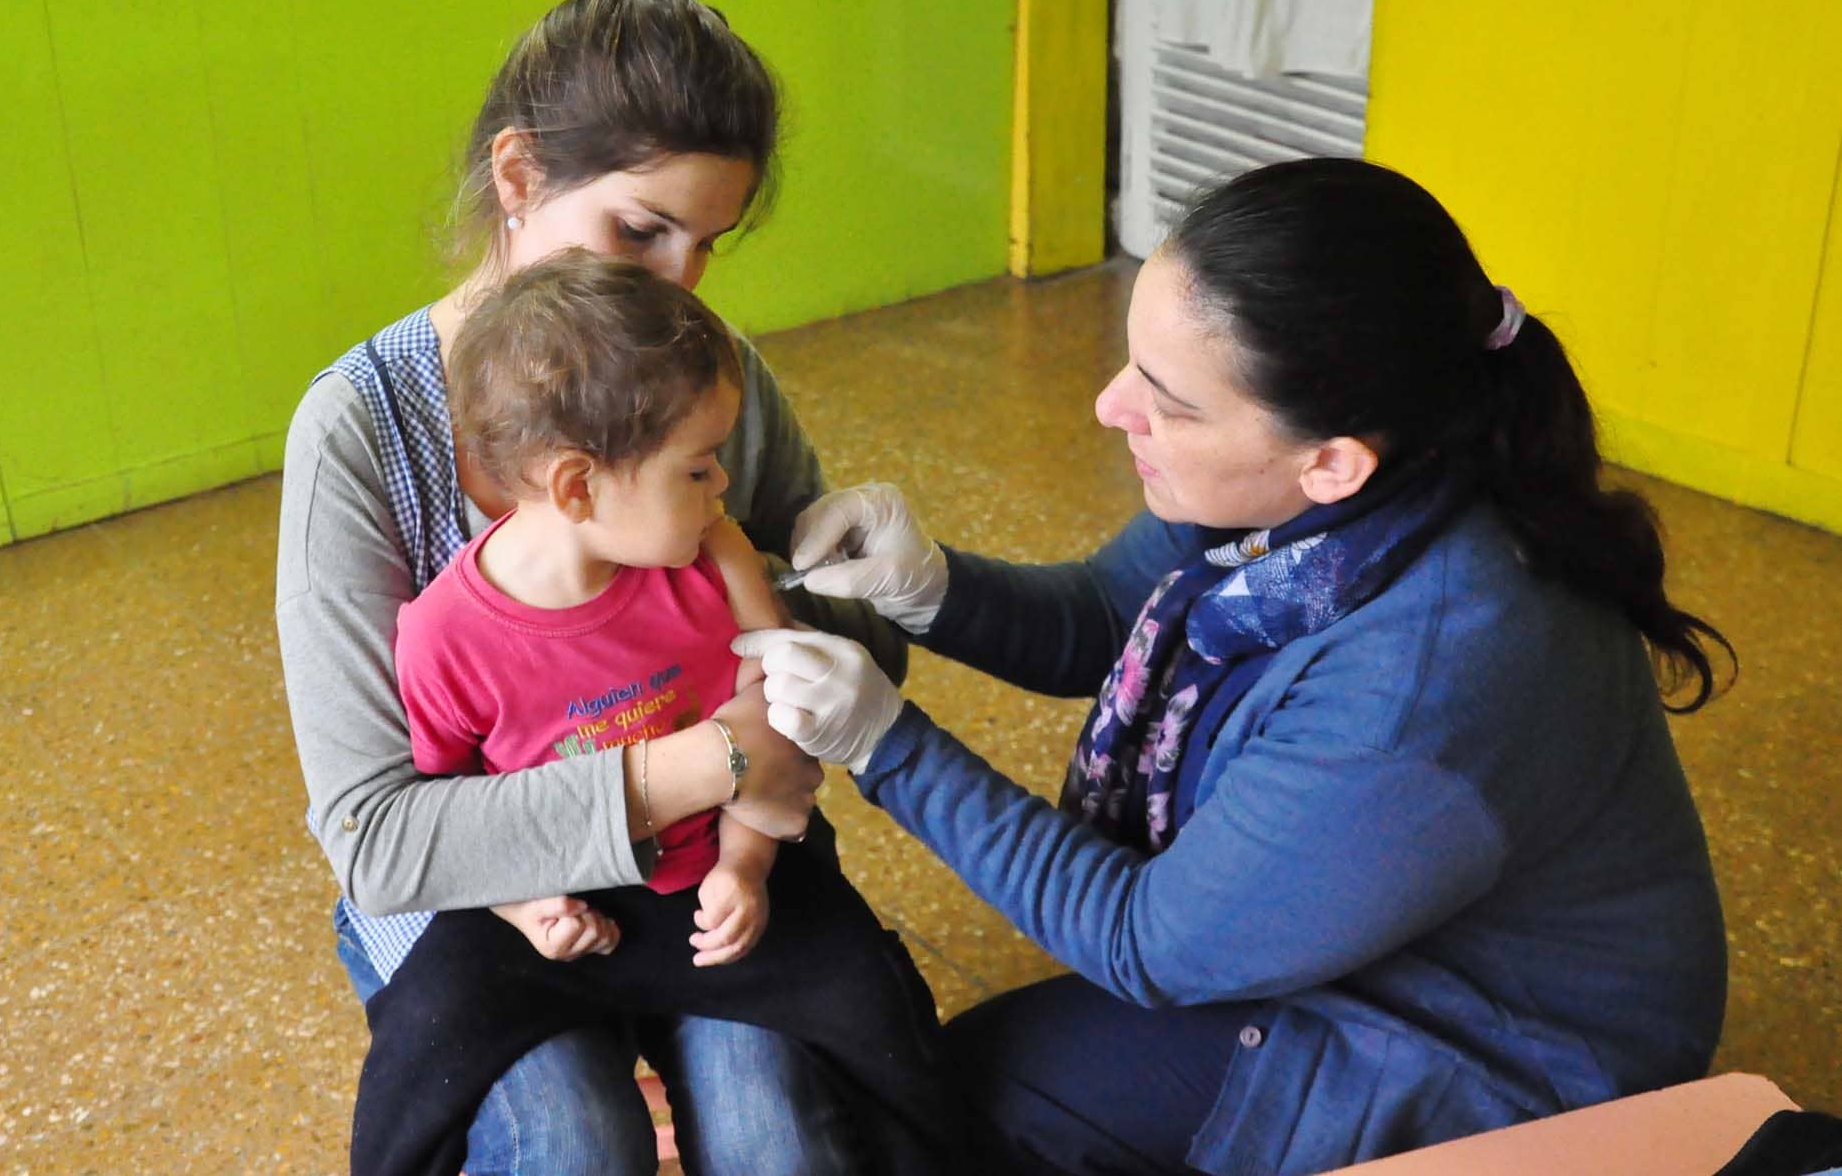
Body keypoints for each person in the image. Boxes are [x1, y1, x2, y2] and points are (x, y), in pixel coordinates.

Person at [738, 158, 1734, 1175]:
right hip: (1383, 923)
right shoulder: (1343, 484)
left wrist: (889, 746)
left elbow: (1146, 940)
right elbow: (1101, 616)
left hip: (1505, 1057)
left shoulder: (1420, 681)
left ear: (1332, 458)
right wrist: (931, 584)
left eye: (1167, 401)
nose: (1106, 405)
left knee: (964, 1104)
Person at [276, 0, 907, 1176]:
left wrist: (858, 597)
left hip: (718, 864)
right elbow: (379, 840)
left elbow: (856, 673)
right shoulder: (358, 424)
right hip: (485, 900)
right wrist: (708, 755)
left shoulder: (709, 370)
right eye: (639, 229)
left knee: (777, 1123)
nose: (678, 283)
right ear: (517, 178)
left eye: (708, 242)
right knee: (572, 1139)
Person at [348, 252, 955, 1176]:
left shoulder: (716, 556)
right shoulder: (440, 635)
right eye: (700, 467)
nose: (724, 491)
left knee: (820, 1097)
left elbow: (776, 726)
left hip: (716, 888)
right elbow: (445, 809)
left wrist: (746, 866)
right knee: (448, 1089)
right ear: (576, 487)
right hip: (553, 913)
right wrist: (523, 906)